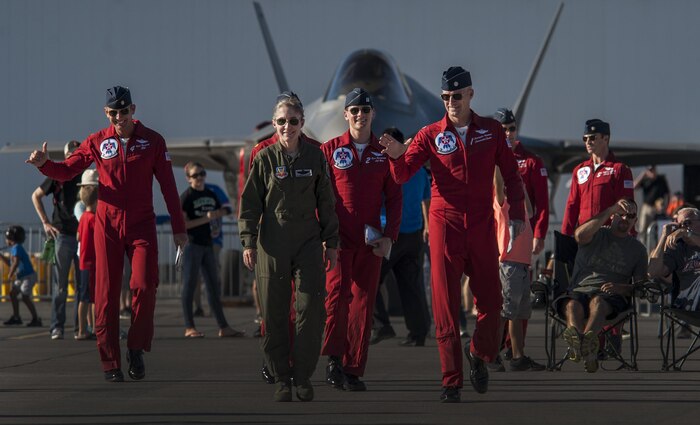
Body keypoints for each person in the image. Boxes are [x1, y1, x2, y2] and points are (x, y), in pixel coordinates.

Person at [379, 66, 526, 403]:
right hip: (445, 225)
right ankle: (451, 381)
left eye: (456, 96)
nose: (450, 102)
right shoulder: (430, 134)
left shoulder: (490, 131)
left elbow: (512, 174)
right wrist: (394, 157)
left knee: (491, 301)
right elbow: (403, 176)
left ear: (470, 94)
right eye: (445, 97)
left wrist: (516, 214)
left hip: (481, 226)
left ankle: (479, 353)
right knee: (445, 307)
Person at [25, 86, 187, 382]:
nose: (119, 117)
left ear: (133, 110)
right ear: (106, 113)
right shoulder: (98, 141)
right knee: (106, 294)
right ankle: (110, 361)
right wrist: (44, 165)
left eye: (124, 111)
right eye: (113, 112)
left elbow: (168, 187)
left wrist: (179, 228)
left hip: (141, 224)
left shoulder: (152, 141)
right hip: (107, 224)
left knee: (144, 284)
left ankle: (136, 347)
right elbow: (68, 171)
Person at [239, 92, 339, 402]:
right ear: (273, 124)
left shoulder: (315, 156)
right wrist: (248, 241)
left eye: (293, 121)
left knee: (310, 309)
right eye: (281, 121)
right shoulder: (264, 158)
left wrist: (331, 242)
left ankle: (303, 376)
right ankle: (282, 377)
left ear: (302, 123)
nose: (287, 127)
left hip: (308, 241)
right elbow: (250, 202)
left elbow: (327, 201)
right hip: (272, 243)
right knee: (274, 313)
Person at [320, 88, 402, 392]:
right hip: (337, 240)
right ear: (346, 115)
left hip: (370, 241)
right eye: (354, 111)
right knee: (336, 299)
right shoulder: (329, 150)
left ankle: (353, 369)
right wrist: (323, 235)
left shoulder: (385, 152)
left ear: (372, 115)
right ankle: (333, 360)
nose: (359, 116)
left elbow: (395, 198)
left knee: (364, 305)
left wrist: (390, 237)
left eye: (365, 111)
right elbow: (319, 196)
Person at [557, 199, 647, 373]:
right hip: (580, 289)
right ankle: (585, 346)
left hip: (612, 296)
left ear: (635, 221)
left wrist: (622, 288)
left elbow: (641, 287)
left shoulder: (638, 249)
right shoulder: (596, 234)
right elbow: (579, 236)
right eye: (620, 213)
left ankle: (582, 344)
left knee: (598, 302)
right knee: (572, 304)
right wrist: (610, 208)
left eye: (630, 216)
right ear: (612, 216)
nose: (625, 218)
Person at [370, 127, 431, 347]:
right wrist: (427, 226)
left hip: (390, 235)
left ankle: (382, 325)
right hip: (414, 235)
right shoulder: (420, 170)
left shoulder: (386, 168)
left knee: (370, 281)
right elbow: (427, 200)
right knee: (411, 286)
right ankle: (418, 332)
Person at [180, 162, 244, 339]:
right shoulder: (186, 197)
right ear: (188, 178)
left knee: (213, 286)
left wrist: (217, 217)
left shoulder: (210, 193)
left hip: (208, 244)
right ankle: (189, 326)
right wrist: (205, 219)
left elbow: (222, 210)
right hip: (192, 245)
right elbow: (183, 225)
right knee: (190, 284)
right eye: (195, 175)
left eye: (202, 173)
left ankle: (223, 326)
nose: (199, 178)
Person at [493, 167, 545, 371]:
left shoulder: (518, 206)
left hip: (522, 263)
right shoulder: (501, 203)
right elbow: (497, 183)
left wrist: (521, 185)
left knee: (519, 313)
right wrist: (499, 163)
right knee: (506, 312)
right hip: (510, 263)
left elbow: (531, 212)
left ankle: (518, 355)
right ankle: (490, 353)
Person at [31, 140, 82, 340]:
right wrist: (45, 222)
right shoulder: (57, 175)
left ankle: (81, 327)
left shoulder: (86, 175)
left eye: (77, 153)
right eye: (71, 153)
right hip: (62, 235)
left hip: (82, 236)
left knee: (83, 285)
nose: (74, 156)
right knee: (60, 286)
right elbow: (36, 196)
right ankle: (56, 326)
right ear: (66, 154)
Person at [561, 119, 634, 236]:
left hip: (609, 237)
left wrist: (627, 236)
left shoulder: (620, 169)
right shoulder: (579, 170)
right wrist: (564, 236)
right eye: (585, 138)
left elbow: (627, 208)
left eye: (593, 137)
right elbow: (572, 206)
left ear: (605, 138)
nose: (588, 142)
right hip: (584, 237)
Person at [494, 108, 549, 256]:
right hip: (494, 232)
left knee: (519, 276)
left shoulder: (532, 162)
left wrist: (539, 234)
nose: (509, 133)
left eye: (512, 129)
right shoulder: (487, 161)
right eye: (504, 129)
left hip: (521, 232)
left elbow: (542, 203)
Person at [648, 207, 700, 312]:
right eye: (679, 225)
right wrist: (663, 237)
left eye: (687, 223)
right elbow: (652, 272)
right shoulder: (677, 248)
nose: (683, 228)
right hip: (688, 303)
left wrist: (687, 233)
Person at [1, 225, 42, 327]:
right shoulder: (16, 248)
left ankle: (36, 319)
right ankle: (16, 317)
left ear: (11, 238)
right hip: (22, 277)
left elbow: (15, 263)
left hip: (28, 276)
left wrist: (10, 274)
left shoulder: (16, 248)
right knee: (13, 293)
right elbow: (11, 263)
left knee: (25, 297)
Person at [75, 169, 99, 340]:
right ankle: (92, 329)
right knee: (93, 299)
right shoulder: (94, 219)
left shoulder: (83, 217)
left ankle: (83, 329)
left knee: (84, 298)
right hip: (93, 263)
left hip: (83, 261)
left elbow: (78, 236)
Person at [634, 165, 670, 239]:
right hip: (647, 207)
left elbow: (667, 194)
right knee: (643, 228)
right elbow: (634, 186)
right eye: (649, 171)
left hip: (658, 208)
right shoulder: (645, 180)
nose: (651, 172)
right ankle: (643, 245)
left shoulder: (661, 179)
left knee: (655, 229)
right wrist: (642, 175)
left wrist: (666, 206)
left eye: (652, 170)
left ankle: (654, 246)